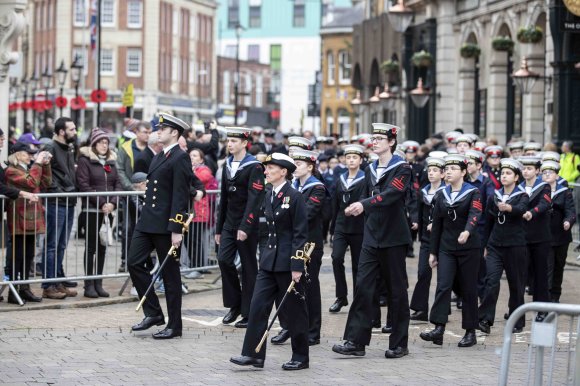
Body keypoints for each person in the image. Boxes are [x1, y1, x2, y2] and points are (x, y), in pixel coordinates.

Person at [332, 123, 412, 359]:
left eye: (379, 138)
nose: (374, 142)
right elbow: (367, 194)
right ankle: (356, 341)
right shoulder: (370, 169)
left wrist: (363, 205)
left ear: (391, 142)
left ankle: (399, 343)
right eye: (373, 138)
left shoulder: (402, 168)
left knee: (396, 291)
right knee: (363, 287)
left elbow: (391, 195)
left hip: (393, 237)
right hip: (371, 236)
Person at [230, 153, 310, 370]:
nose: (265, 171)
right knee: (257, 307)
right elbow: (267, 231)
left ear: (283, 172)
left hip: (287, 264)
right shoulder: (268, 195)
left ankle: (301, 357)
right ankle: (253, 355)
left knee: (294, 311)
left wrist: (297, 265)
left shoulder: (294, 197)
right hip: (269, 262)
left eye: (271, 168)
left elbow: (300, 234)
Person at [128, 113, 195, 339]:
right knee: (134, 262)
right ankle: (154, 312)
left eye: (163, 129)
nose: (158, 131)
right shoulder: (158, 155)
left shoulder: (180, 157)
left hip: (166, 225)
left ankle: (175, 325)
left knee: (170, 276)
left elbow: (180, 195)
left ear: (174, 133)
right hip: (148, 221)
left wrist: (177, 228)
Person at [419, 154, 482, 347]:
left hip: (468, 248)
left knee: (468, 289)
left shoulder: (473, 192)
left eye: (453, 169)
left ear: (463, 172)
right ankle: (438, 328)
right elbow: (436, 224)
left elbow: (476, 212)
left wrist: (467, 231)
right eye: (446, 169)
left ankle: (470, 332)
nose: (448, 172)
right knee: (443, 285)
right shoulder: (441, 194)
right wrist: (432, 252)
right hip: (446, 247)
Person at [215, 127, 265, 328]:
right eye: (229, 141)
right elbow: (224, 199)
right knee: (224, 260)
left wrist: (246, 226)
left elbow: (255, 199)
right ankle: (234, 304)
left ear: (245, 143)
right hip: (229, 222)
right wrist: (219, 228)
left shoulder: (254, 166)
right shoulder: (227, 164)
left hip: (247, 224)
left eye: (234, 141)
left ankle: (248, 311)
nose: (230, 144)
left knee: (248, 267)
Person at [478, 159, 528, 335]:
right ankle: (485, 319)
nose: (504, 176)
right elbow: (488, 223)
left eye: (508, 173)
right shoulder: (494, 196)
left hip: (515, 246)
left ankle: (517, 319)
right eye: (502, 173)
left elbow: (522, 209)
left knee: (516, 285)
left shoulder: (523, 195)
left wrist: (509, 208)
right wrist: (484, 245)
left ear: (516, 177)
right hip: (495, 246)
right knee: (491, 281)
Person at [76, 128, 123, 298]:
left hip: (108, 211)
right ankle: (89, 284)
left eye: (106, 142)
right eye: (101, 142)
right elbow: (84, 185)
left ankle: (99, 283)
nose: (104, 145)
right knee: (91, 247)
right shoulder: (85, 161)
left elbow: (118, 184)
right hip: (91, 210)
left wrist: (112, 204)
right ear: (94, 143)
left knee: (103, 247)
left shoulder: (111, 161)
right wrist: (103, 203)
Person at [4, 143, 52, 304]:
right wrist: (38, 163)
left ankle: (25, 289)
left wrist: (45, 165)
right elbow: (31, 183)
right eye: (27, 153)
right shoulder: (11, 170)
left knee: (29, 255)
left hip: (32, 219)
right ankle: (14, 291)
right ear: (17, 155)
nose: (31, 156)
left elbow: (45, 183)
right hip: (19, 220)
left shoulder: (28, 169)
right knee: (17, 256)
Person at [291, 148, 327, 345]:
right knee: (294, 286)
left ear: (310, 167)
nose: (295, 168)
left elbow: (307, 213)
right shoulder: (293, 185)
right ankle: (294, 327)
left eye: (299, 164)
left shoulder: (317, 188)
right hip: (295, 241)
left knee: (310, 286)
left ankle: (314, 331)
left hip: (311, 244)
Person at [42, 117, 79, 299]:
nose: (75, 132)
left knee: (62, 245)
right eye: (72, 129)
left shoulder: (69, 148)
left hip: (69, 201)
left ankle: (57, 282)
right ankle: (48, 285)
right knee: (52, 245)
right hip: (57, 202)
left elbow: (69, 172)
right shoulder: (50, 147)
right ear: (62, 131)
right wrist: (59, 190)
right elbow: (46, 174)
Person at [329, 144, 366, 313]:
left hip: (359, 227)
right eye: (348, 157)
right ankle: (341, 297)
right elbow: (335, 205)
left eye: (354, 158)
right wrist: (332, 230)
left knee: (358, 265)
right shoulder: (340, 179)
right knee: (336, 258)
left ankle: (358, 298)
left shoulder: (366, 179)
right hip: (342, 226)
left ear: (361, 160)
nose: (351, 160)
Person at [408, 156, 446, 321]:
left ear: (443, 174)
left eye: (435, 171)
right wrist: (416, 222)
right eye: (430, 170)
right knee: (423, 272)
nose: (431, 173)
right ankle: (421, 308)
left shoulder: (447, 192)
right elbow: (417, 209)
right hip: (426, 239)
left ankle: (442, 311)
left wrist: (436, 225)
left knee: (444, 278)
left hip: (443, 240)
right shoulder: (423, 191)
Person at [519, 156, 552, 319]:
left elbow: (545, 204)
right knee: (520, 275)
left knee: (540, 275)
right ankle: (516, 311)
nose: (526, 171)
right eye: (524, 168)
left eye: (530, 168)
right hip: (522, 238)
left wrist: (532, 212)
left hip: (540, 238)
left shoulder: (544, 186)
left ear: (537, 171)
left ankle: (542, 310)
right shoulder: (518, 187)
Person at [542, 160, 576, 303]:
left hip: (561, 235)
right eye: (544, 173)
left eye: (550, 172)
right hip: (545, 235)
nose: (547, 175)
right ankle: (547, 297)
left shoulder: (565, 192)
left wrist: (568, 221)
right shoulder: (540, 191)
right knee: (547, 266)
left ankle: (556, 294)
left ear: (557, 176)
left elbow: (571, 210)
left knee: (559, 265)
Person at [185, 148, 217, 278]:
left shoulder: (204, 171)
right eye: (190, 155)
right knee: (189, 240)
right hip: (189, 211)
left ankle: (198, 268)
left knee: (196, 241)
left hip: (199, 212)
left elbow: (195, 180)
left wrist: (188, 172)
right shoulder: (190, 170)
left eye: (195, 155)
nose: (191, 157)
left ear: (201, 159)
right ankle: (194, 266)